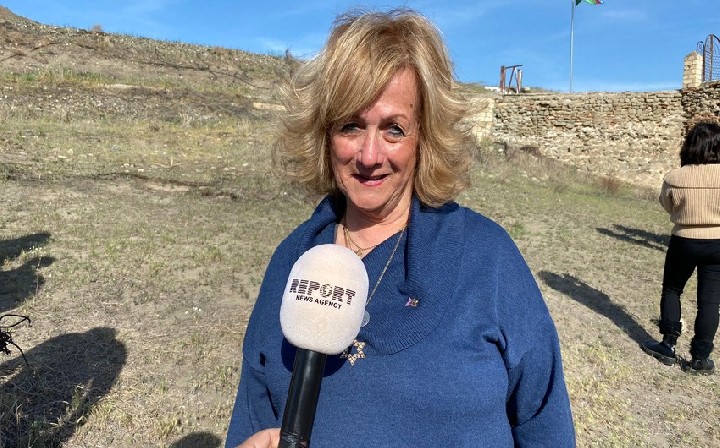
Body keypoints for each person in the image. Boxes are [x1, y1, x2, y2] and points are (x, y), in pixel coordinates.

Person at [225, 9, 575, 447]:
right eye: (350, 125)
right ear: (324, 135)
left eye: (394, 129)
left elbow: (545, 423)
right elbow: (253, 414)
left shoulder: (487, 259)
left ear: (424, 137)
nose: (369, 156)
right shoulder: (292, 259)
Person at [642, 120, 720, 375]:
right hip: (718, 243)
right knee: (710, 302)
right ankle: (700, 358)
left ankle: (668, 345)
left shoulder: (675, 177)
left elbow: (667, 205)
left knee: (672, 289)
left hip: (684, 240)